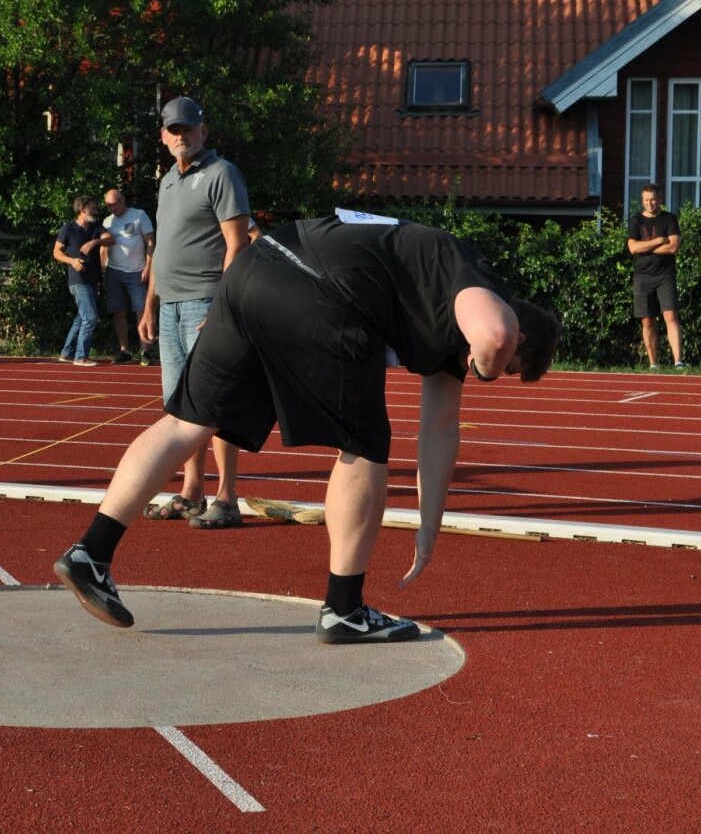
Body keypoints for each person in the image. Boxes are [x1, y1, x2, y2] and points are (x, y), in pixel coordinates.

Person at [54, 216, 561, 644]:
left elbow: (439, 432)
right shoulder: (478, 282)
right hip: (324, 291)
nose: (486, 374)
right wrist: (492, 360)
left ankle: (91, 552)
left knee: (189, 421)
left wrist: (428, 531)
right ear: (523, 334)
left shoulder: (447, 329)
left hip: (258, 267)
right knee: (363, 447)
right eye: (511, 368)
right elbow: (493, 334)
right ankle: (344, 610)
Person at [139, 96, 249, 529]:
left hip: (206, 302)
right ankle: (192, 490)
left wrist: (223, 306)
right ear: (164, 137)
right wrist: (149, 303)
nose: (181, 136)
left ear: (204, 131)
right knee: (181, 407)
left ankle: (227, 497)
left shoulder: (222, 174)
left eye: (188, 128)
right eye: (173, 130)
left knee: (215, 402)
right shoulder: (166, 181)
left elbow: (237, 245)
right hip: (169, 307)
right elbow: (161, 249)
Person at [627, 183, 685, 370]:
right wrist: (660, 240)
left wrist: (646, 247)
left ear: (660, 199)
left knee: (671, 316)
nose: (649, 203)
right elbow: (633, 248)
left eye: (652, 199)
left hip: (665, 276)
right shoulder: (635, 220)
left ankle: (678, 362)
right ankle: (654, 364)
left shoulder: (669, 219)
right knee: (647, 320)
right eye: (646, 200)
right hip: (642, 276)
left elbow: (674, 247)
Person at [54, 195, 112, 366]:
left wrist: (95, 242)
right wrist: (72, 261)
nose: (96, 211)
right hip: (78, 280)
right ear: (82, 209)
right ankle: (81, 356)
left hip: (93, 280)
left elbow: (112, 240)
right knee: (91, 317)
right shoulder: (68, 229)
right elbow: (56, 252)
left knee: (82, 317)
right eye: (93, 208)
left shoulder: (96, 228)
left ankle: (67, 353)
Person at [100, 189, 155, 365]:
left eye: (114, 204)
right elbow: (103, 247)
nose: (112, 208)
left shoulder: (139, 215)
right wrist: (102, 271)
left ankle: (145, 351)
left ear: (122, 200)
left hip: (137, 271)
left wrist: (149, 266)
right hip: (113, 271)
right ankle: (124, 350)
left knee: (141, 309)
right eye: (108, 205)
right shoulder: (107, 221)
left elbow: (151, 242)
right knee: (118, 311)